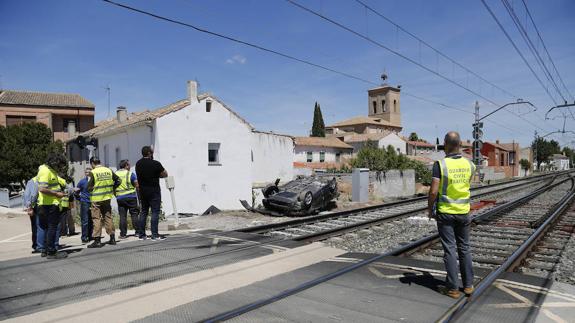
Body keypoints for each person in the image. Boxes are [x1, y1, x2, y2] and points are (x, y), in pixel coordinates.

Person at [428, 131, 476, 299]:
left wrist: (429, 209)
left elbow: (434, 191)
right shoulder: (470, 165)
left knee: (450, 249)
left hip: (446, 213)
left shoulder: (440, 165)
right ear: (460, 144)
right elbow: (467, 186)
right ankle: (468, 285)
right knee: (465, 248)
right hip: (463, 212)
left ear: (446, 145)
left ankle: (453, 288)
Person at [36, 153, 68, 259]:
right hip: (49, 205)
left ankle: (45, 250)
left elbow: (56, 182)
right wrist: (57, 194)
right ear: (54, 163)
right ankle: (51, 251)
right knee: (52, 228)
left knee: (46, 228)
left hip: (46, 204)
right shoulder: (45, 171)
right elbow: (42, 189)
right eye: (59, 165)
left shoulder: (49, 170)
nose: (60, 167)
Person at [87, 157, 120, 248]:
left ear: (92, 163)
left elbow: (89, 186)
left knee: (96, 218)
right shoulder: (108, 170)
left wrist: (90, 189)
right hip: (107, 198)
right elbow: (118, 180)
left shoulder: (93, 172)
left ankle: (97, 240)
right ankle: (112, 238)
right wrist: (112, 189)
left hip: (96, 199)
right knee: (108, 217)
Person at [136, 146, 168, 241]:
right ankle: (154, 234)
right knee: (155, 212)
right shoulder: (155, 163)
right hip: (154, 191)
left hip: (143, 191)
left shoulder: (138, 164)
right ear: (149, 153)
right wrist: (157, 175)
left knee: (143, 212)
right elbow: (165, 174)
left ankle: (142, 234)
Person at [115, 159, 140, 238]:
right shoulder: (130, 174)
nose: (129, 167)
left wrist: (116, 195)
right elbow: (137, 185)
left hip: (120, 197)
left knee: (122, 216)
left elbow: (113, 186)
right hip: (131, 197)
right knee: (134, 214)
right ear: (126, 166)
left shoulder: (115, 174)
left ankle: (123, 234)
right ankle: (138, 232)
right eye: (128, 165)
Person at [23, 176, 41, 254]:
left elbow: (28, 195)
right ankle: (39, 244)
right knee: (40, 226)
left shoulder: (32, 181)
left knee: (35, 226)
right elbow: (32, 195)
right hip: (40, 206)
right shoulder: (40, 180)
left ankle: (36, 245)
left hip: (36, 206)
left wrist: (29, 206)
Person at [76, 168, 93, 243]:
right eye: (86, 172)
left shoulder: (94, 181)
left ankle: (90, 235)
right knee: (85, 220)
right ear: (85, 173)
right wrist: (80, 199)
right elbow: (76, 192)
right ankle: (84, 237)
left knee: (92, 220)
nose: (88, 173)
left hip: (93, 202)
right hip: (85, 202)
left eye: (89, 172)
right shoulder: (82, 182)